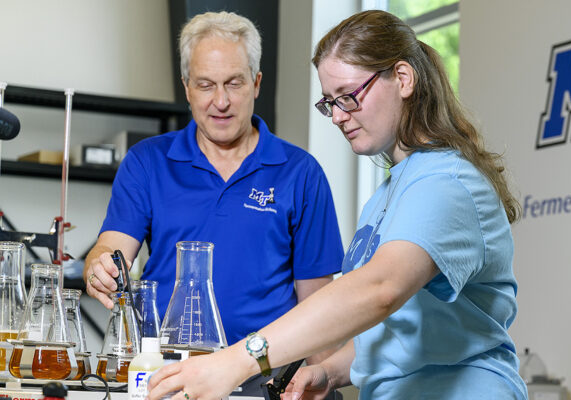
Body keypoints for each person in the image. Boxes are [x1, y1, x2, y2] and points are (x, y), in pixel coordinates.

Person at [147, 9, 528, 400]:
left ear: (402, 78)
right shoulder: (389, 193)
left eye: (348, 97)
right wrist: (327, 371)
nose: (338, 117)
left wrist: (236, 361)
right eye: (330, 103)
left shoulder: (446, 181)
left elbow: (380, 288)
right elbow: (402, 333)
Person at [83, 10, 344, 385]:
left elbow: (319, 307)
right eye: (206, 85)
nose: (220, 101)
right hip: (166, 374)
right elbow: (111, 249)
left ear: (256, 83)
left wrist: (325, 381)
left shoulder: (301, 173)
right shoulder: (147, 161)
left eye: (233, 83)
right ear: (187, 87)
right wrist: (99, 268)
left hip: (265, 377)